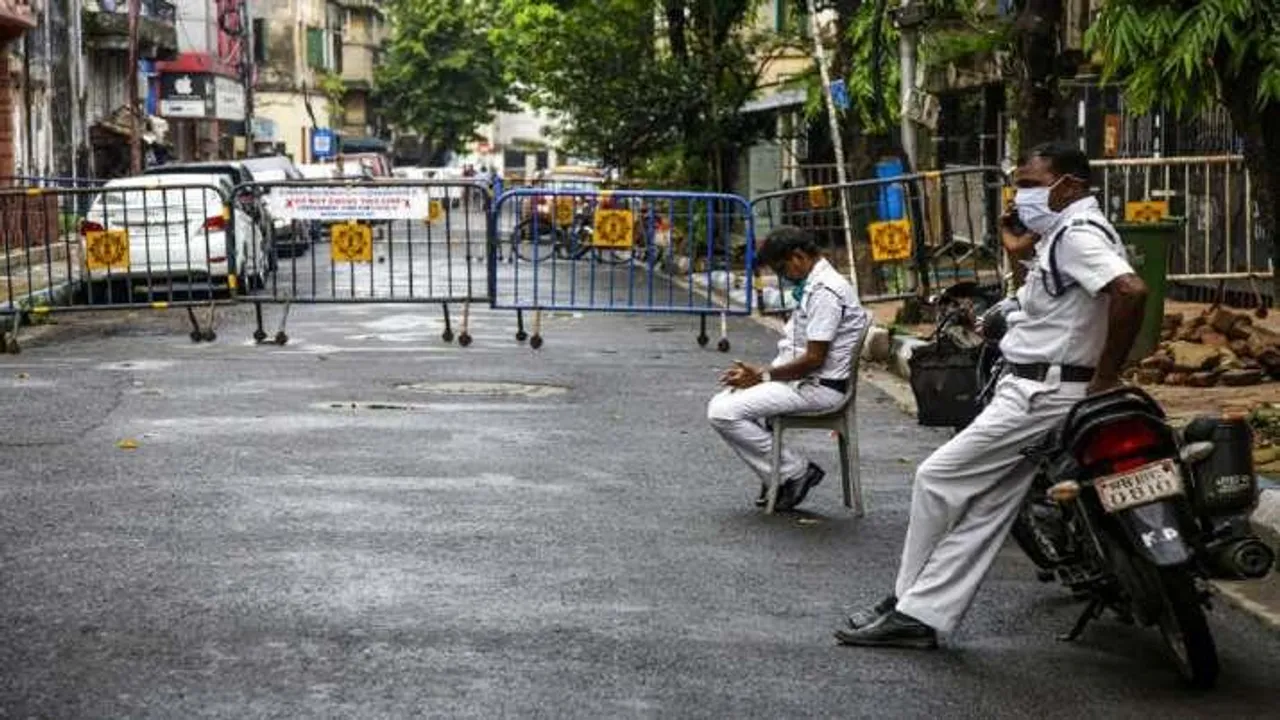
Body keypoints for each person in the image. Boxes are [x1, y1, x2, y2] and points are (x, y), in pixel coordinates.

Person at [834, 141, 1149, 649]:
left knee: (936, 478)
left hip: (1042, 394)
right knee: (990, 509)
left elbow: (1131, 290)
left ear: (1068, 186)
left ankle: (907, 602)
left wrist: (1107, 375)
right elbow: (1053, 302)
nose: (1019, 196)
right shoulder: (1061, 235)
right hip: (1040, 386)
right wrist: (1018, 253)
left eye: (1029, 185)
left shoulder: (1076, 235)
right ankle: (919, 610)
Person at [707, 226, 870, 511]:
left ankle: (794, 472)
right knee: (724, 402)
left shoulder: (826, 292)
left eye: (782, 270)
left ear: (797, 257)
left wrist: (763, 376)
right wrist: (757, 377)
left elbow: (813, 360)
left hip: (820, 388)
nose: (783, 277)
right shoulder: (814, 285)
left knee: (723, 412)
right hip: (803, 382)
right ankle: (779, 476)